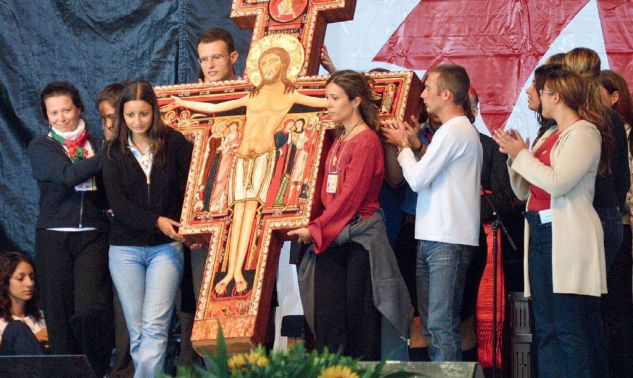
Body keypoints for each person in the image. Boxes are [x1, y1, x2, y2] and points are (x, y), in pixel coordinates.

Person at [173, 35, 327, 296]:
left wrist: (337, 76)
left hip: (264, 158)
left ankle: (239, 272)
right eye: (264, 64)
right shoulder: (251, 94)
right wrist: (181, 102)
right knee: (236, 216)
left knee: (250, 217)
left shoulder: (292, 94)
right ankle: (230, 271)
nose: (268, 69)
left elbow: (329, 101)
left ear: (285, 66)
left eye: (274, 64)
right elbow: (218, 107)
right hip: (240, 160)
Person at [493, 66, 609, 377]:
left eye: (542, 91)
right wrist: (513, 155)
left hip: (566, 235)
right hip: (541, 231)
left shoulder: (585, 132)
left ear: (556, 96)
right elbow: (524, 189)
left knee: (569, 328)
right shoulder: (549, 134)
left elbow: (558, 183)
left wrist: (522, 155)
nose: (537, 95)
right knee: (544, 329)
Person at [288, 69, 412, 360]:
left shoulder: (367, 140)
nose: (328, 104)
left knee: (360, 322)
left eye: (334, 98)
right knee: (328, 320)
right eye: (327, 97)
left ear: (355, 101)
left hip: (359, 239)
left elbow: (350, 199)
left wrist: (315, 229)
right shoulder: (339, 138)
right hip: (333, 235)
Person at [384, 64, 483, 362]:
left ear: (447, 94)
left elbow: (416, 179)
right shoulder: (451, 132)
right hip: (432, 235)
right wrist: (415, 146)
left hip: (447, 239)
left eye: (428, 88)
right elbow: (436, 174)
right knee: (431, 326)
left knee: (441, 327)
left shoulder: (455, 131)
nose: (423, 94)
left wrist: (403, 147)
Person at [104, 80, 193, 378]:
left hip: (166, 249)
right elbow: (119, 204)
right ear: (121, 116)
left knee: (156, 326)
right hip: (124, 250)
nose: (137, 122)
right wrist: (156, 221)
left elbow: (191, 187)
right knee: (138, 330)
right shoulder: (112, 151)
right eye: (130, 115)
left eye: (143, 114)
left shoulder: (175, 143)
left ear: (154, 111)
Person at [26, 81, 113, 377]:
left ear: (78, 108)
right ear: (46, 116)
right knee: (59, 316)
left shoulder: (97, 144)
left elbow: (104, 192)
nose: (61, 117)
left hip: (92, 235)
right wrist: (108, 154)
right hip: (54, 237)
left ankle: (97, 369)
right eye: (54, 113)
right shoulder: (42, 146)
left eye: (66, 109)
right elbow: (67, 175)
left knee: (91, 309)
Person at [96, 81, 134, 377]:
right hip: (120, 243)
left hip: (157, 240)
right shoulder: (105, 151)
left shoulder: (148, 144)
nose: (108, 124)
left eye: (112, 117)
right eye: (104, 118)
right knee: (124, 316)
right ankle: (123, 371)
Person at [598, 69, 633, 378]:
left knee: (618, 310)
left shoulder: (624, 133)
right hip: (608, 225)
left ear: (613, 97)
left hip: (622, 226)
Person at [0, 252, 47, 355]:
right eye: (20, 278)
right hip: (11, 369)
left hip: (43, 368)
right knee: (16, 328)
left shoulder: (42, 318)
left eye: (32, 277)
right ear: (5, 282)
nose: (29, 283)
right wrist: (35, 339)